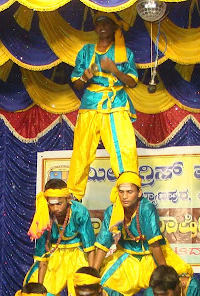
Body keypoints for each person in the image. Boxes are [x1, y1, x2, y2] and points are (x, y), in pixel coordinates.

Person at [67, 11, 139, 201]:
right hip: (90, 104)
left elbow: (132, 82)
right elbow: (77, 84)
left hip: (117, 104)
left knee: (124, 151)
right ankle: (74, 197)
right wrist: (85, 76)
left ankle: (128, 193)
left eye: (107, 23)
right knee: (81, 151)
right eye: (99, 23)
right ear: (95, 28)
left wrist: (114, 70)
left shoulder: (124, 53)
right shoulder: (86, 52)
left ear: (114, 27)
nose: (103, 27)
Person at [92, 171, 192, 296]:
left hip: (152, 255)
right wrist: (93, 272)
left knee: (176, 285)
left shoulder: (146, 208)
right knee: (103, 287)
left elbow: (154, 244)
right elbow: (103, 244)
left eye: (129, 192)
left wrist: (163, 271)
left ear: (139, 193)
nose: (124, 196)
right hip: (127, 256)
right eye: (121, 192)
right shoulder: (112, 211)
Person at [25, 178, 95, 295]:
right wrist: (40, 287)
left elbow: (90, 247)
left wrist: (92, 275)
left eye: (59, 204)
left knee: (82, 291)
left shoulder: (79, 212)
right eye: (51, 204)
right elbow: (42, 254)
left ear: (68, 199)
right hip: (54, 254)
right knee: (39, 289)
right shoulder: (44, 214)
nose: (55, 208)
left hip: (78, 255)